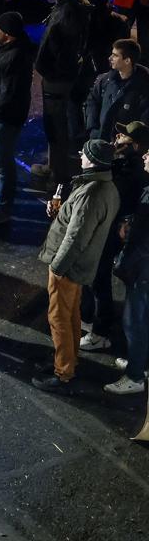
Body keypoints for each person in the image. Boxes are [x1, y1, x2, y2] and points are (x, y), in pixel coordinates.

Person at [32, 141, 123, 393]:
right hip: (81, 266)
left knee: (58, 317)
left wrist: (58, 267)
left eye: (84, 154)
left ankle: (63, 372)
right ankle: (68, 360)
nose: (81, 156)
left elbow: (75, 237)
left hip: (69, 266)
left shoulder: (92, 191)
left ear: (92, 160)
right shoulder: (106, 186)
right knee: (71, 315)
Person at [0, 11, 37, 226]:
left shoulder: (14, 56)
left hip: (3, 118)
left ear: (8, 33)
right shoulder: (10, 49)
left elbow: (8, 92)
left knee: (2, 165)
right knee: (1, 162)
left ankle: (2, 209)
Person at [38, 0, 94, 188]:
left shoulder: (69, 10)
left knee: (55, 125)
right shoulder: (69, 5)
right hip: (59, 75)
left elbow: (65, 47)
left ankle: (58, 176)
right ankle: (53, 167)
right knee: (54, 123)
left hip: (58, 77)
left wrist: (51, 69)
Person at [109, 131, 149, 396]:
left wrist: (128, 228)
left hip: (144, 265)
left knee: (135, 319)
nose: (145, 155)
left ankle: (135, 376)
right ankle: (140, 363)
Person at [86, 39, 149, 142]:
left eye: (115, 55)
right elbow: (92, 101)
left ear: (127, 60)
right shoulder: (105, 80)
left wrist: (131, 138)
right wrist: (93, 129)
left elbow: (145, 119)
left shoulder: (144, 87)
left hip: (124, 146)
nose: (110, 58)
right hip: (99, 140)